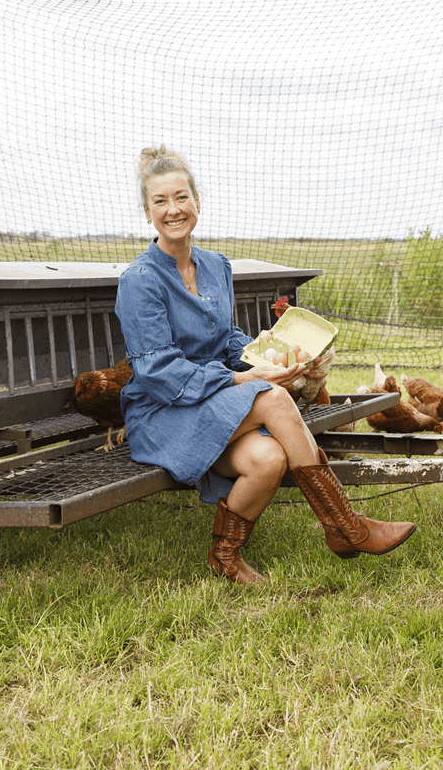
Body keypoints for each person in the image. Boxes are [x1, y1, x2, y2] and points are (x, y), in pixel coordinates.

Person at [115, 146, 415, 584]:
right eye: (160, 201)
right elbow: (158, 372)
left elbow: (225, 337)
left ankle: (225, 557)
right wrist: (243, 376)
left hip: (212, 401)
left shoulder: (216, 266)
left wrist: (266, 350)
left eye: (181, 197)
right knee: (272, 398)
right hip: (164, 410)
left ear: (198, 202)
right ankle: (345, 526)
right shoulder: (140, 280)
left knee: (269, 458)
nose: (173, 209)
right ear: (147, 213)